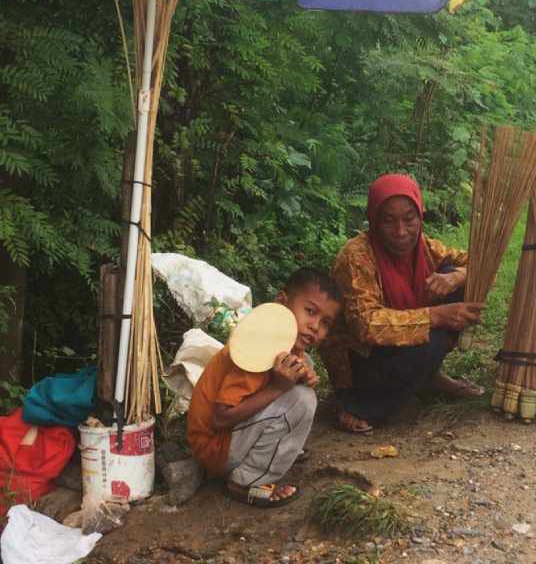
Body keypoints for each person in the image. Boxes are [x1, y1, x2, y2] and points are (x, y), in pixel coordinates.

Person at [324, 174, 486, 434]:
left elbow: (480, 264)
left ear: (420, 216)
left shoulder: (424, 248)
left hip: (400, 345)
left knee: (459, 279)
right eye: (388, 220)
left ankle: (428, 379)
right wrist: (435, 316)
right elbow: (366, 325)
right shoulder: (356, 257)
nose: (401, 232)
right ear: (374, 220)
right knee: (428, 341)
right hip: (361, 362)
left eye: (409, 219)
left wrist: (455, 277)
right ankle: (358, 404)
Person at [186, 268, 342, 508]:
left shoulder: (285, 344)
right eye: (310, 311)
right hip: (216, 447)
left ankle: (273, 451)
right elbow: (219, 418)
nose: (315, 326)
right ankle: (246, 482)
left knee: (302, 369)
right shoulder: (255, 351)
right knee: (302, 400)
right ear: (281, 302)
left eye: (325, 323)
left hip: (225, 441)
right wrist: (279, 388)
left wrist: (297, 377)